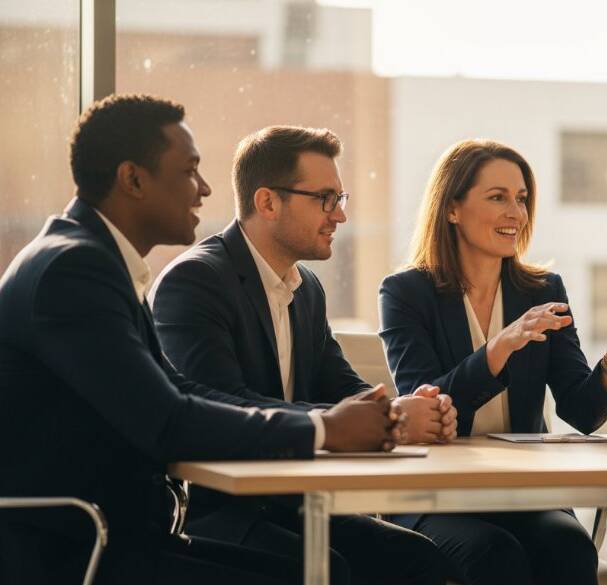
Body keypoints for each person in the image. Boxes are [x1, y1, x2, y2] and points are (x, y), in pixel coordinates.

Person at [0, 94, 402, 585]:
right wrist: (324, 430)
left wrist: (333, 422)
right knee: (317, 575)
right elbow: (166, 421)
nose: (205, 189)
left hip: (119, 538)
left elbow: (181, 392)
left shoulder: (94, 261)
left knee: (365, 565)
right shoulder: (74, 269)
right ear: (133, 179)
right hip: (74, 553)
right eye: (189, 170)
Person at [151, 125, 453, 585]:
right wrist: (357, 422)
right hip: (215, 510)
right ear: (268, 202)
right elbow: (221, 403)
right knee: (332, 570)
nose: (340, 216)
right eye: (325, 199)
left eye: (341, 199)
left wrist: (400, 412)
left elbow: (341, 384)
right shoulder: (194, 282)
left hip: (292, 501)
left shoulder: (304, 287)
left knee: (419, 560)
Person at [378, 138, 607, 585]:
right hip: (436, 494)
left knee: (569, 547)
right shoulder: (405, 293)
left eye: (522, 198)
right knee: (494, 554)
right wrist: (499, 347)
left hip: (525, 492)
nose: (516, 212)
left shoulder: (542, 290)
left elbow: (580, 410)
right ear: (452, 208)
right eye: (498, 198)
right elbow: (428, 406)